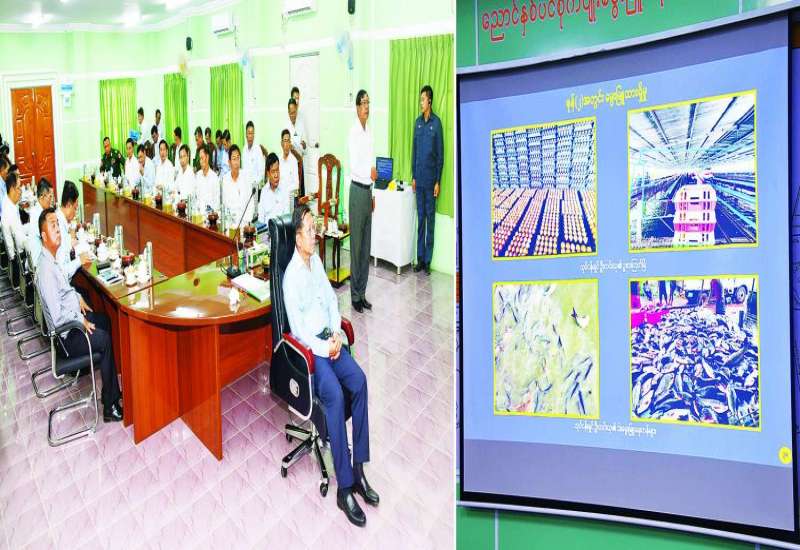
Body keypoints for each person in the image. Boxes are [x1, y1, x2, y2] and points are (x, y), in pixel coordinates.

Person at [283, 204, 379, 527]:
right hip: (314, 353)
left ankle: (359, 470)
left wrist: (337, 331)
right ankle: (345, 487)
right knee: (335, 396)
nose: (316, 234)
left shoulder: (317, 264)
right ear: (298, 238)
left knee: (360, 382)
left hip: (332, 342)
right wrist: (326, 346)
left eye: (315, 229)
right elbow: (298, 331)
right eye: (310, 230)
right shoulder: (291, 278)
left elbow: (331, 300)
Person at [36, 207, 123, 422]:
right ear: (44, 236)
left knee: (104, 320)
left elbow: (63, 292)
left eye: (58, 224)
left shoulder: (50, 259)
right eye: (53, 226)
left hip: (71, 324)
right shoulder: (45, 269)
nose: (58, 229)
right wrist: (80, 320)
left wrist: (77, 297)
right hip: (67, 337)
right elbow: (57, 317)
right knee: (103, 339)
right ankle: (110, 407)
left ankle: (110, 389)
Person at [347, 89, 376, 313]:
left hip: (367, 192)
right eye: (363, 103)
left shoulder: (369, 133)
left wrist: (373, 193)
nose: (366, 107)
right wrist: (370, 174)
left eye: (368, 102)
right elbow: (355, 166)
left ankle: (363, 292)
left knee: (366, 247)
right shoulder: (353, 133)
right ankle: (354, 295)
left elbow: (371, 166)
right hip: (357, 191)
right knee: (356, 247)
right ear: (357, 107)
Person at [411, 85, 444, 275]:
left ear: (429, 101)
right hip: (419, 180)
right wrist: (413, 176)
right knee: (421, 221)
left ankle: (428, 261)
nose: (421, 103)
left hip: (431, 182)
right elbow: (414, 151)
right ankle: (420, 259)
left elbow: (440, 156)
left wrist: (438, 181)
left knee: (430, 221)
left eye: (423, 99)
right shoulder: (417, 123)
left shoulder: (436, 124)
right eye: (420, 99)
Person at [56, 181, 92, 280]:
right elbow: (62, 272)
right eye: (75, 209)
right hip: (63, 283)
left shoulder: (59, 218)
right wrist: (80, 260)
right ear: (68, 205)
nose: (75, 213)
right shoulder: (59, 229)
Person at [222, 145, 255, 229]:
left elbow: (251, 203)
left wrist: (247, 222)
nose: (236, 162)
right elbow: (224, 205)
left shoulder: (246, 177)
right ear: (229, 162)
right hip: (230, 224)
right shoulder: (225, 180)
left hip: (245, 224)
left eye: (238, 158)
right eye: (234, 159)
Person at [25, 178, 52, 268]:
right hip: (38, 264)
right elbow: (49, 239)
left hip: (33, 260)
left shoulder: (34, 210)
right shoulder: (40, 216)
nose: (51, 200)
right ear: (42, 196)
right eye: (50, 197)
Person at [257, 153, 288, 225]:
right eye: (273, 172)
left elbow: (286, 219)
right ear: (268, 174)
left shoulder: (285, 189)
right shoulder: (264, 191)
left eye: (277, 170)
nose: (276, 175)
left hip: (281, 230)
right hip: (267, 230)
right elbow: (261, 219)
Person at [2, 173, 26, 262]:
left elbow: (19, 230)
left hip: (17, 249)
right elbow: (21, 243)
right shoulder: (10, 212)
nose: (21, 191)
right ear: (12, 189)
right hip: (19, 257)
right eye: (19, 188)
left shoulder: (7, 201)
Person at [195, 145, 220, 212]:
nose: (200, 161)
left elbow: (217, 203)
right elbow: (195, 197)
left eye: (202, 158)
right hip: (198, 214)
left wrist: (210, 212)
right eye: (199, 159)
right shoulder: (198, 175)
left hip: (210, 214)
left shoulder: (214, 178)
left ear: (207, 157)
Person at [279, 129, 300, 197]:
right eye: (285, 141)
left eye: (288, 141)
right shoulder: (278, 159)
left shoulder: (293, 161)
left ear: (290, 143)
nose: (287, 144)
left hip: (289, 196)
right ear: (282, 143)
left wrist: (285, 191)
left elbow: (296, 184)